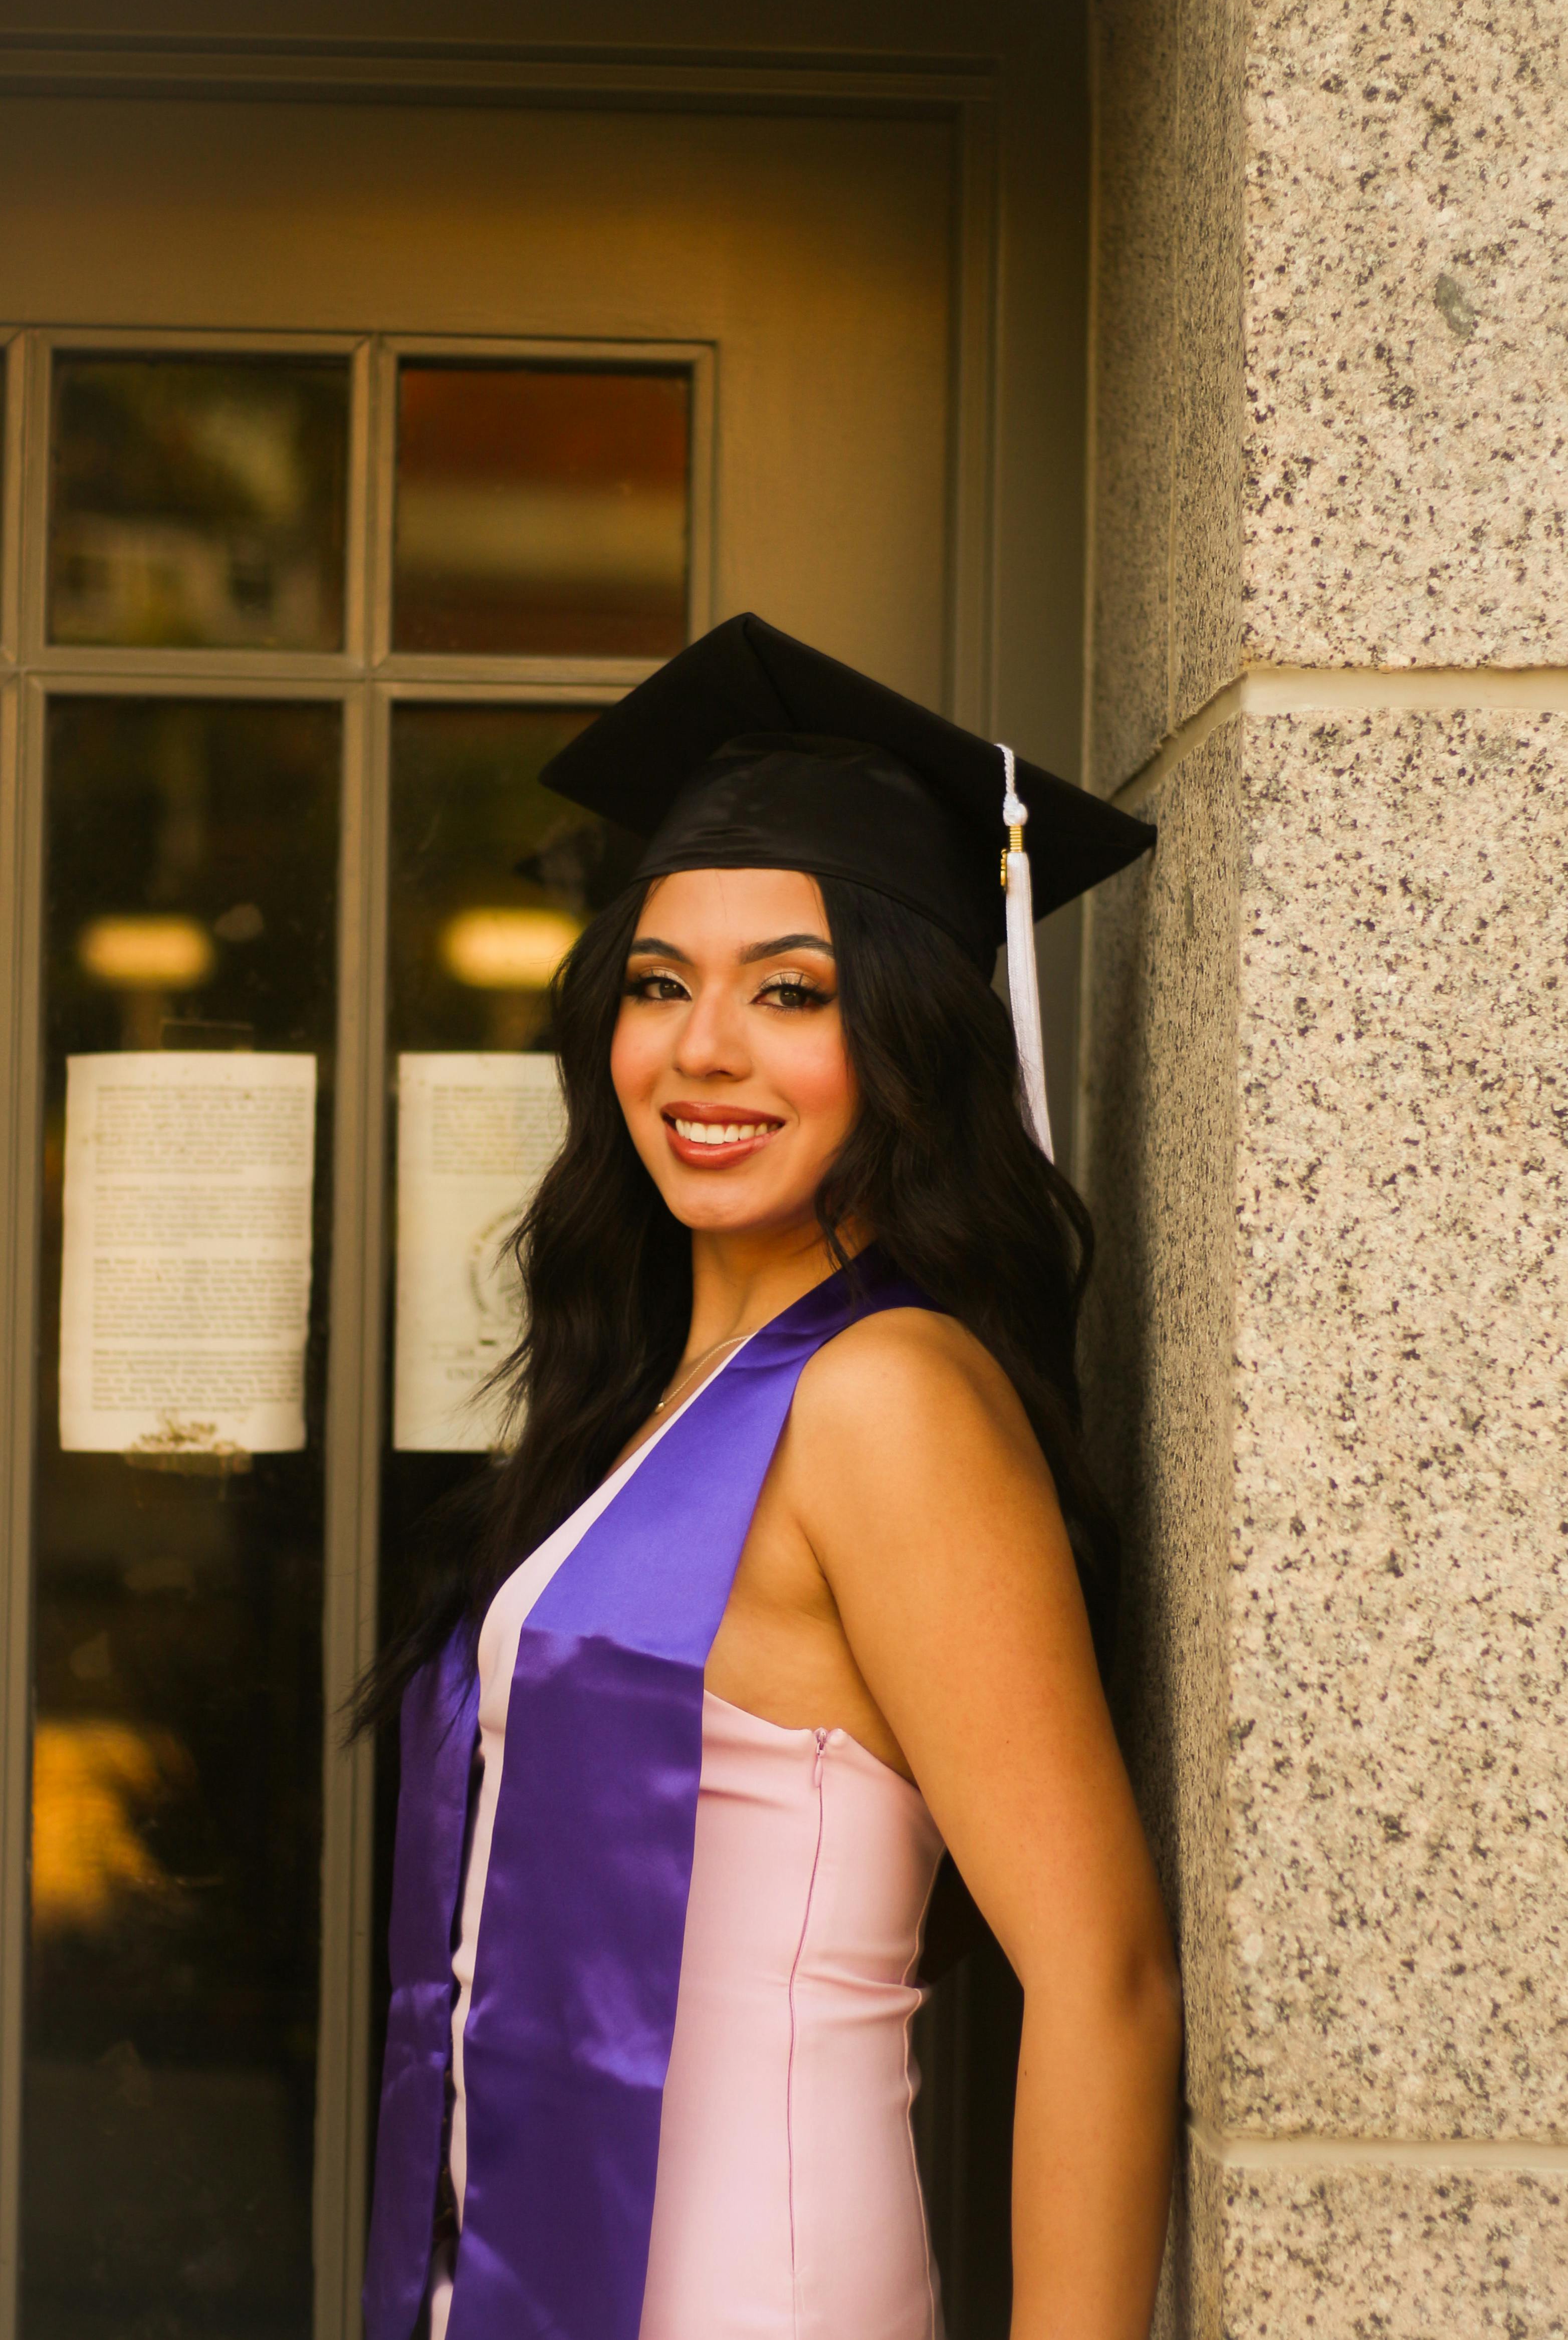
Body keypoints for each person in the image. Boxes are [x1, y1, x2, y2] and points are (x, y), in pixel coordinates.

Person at [358, 616, 1183, 2340]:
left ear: (906, 1038)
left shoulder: (883, 1396)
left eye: (788, 992)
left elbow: (1100, 1981)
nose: (701, 1049)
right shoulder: (652, 1403)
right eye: (660, 983)